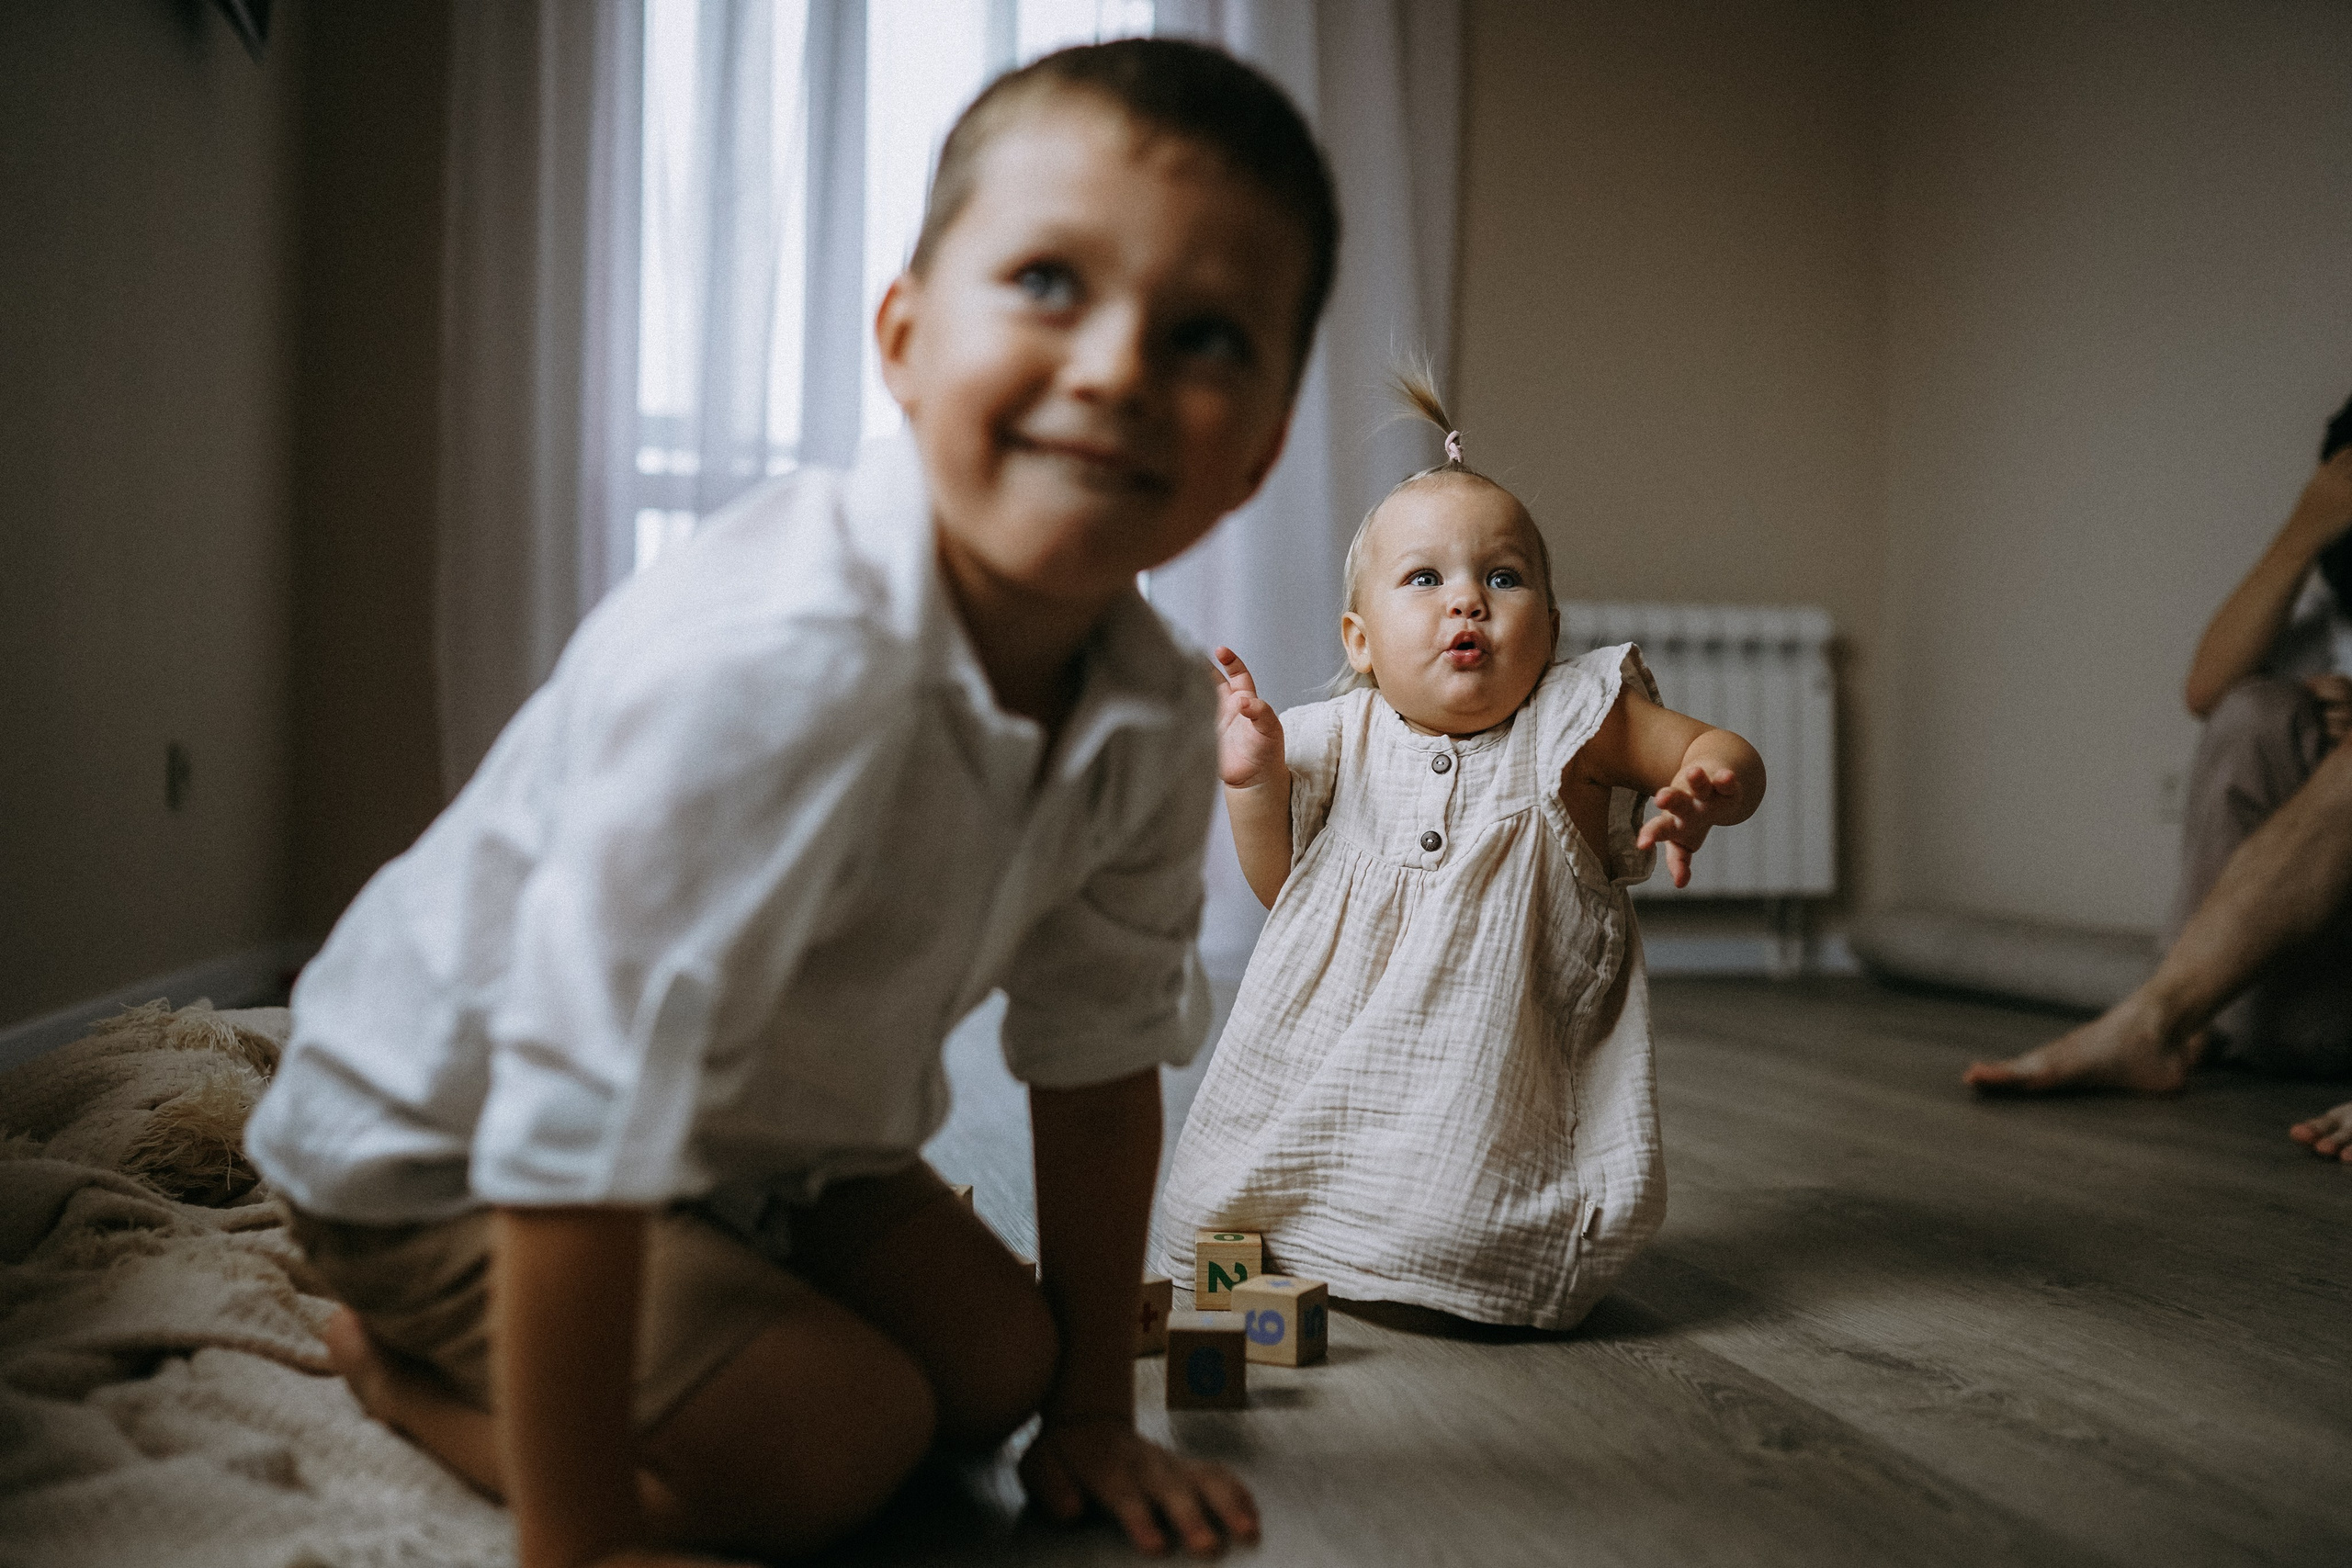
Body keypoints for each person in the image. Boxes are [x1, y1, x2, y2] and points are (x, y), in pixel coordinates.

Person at [243, 39, 1343, 1566]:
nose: (1117, 368)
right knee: (849, 1434)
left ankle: (786, 1318)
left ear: (1268, 445)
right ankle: (397, 1367)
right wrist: (574, 1544)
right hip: (453, 1142)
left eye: (1209, 334)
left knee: (1003, 1367)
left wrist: (1094, 1407)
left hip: (756, 1143)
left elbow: (1093, 1060)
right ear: (899, 337)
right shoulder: (772, 670)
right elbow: (571, 1117)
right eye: (1045, 283)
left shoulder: (1152, 711)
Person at [1148, 378, 1767, 1329]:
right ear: (1360, 640)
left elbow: (1711, 749)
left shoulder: (1574, 720)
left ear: (1551, 632)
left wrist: (1711, 785)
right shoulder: (1331, 738)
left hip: (1484, 1084)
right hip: (1325, 1060)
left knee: (1463, 1222)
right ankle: (1305, 1244)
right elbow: (1287, 892)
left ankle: (1428, 1266)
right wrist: (1252, 782)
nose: (1467, 602)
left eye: (1503, 578)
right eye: (1425, 579)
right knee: (1207, 1209)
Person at [1963, 392, 2352, 1166]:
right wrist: (2307, 527)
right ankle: (2167, 1023)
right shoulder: (2336, 618)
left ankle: (2167, 1019)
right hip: (2289, 1004)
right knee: (2254, 710)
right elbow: (2206, 688)